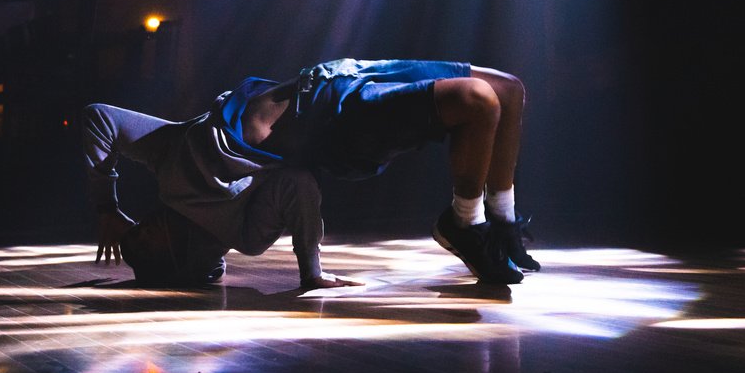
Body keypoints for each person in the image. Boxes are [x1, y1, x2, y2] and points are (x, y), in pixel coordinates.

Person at [82, 57, 537, 288]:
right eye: (140, 247)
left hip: (329, 75)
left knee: (510, 90)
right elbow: (297, 185)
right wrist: (310, 270)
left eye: (131, 236)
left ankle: (501, 223)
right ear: (176, 261)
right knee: (478, 101)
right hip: (340, 124)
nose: (135, 232)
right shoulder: (243, 232)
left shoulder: (164, 162)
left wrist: (107, 206)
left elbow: (99, 117)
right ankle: (464, 224)